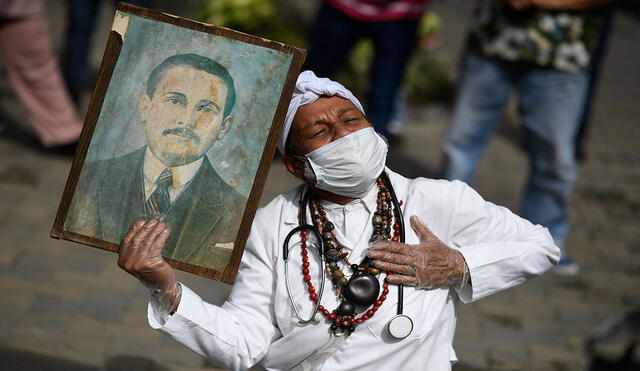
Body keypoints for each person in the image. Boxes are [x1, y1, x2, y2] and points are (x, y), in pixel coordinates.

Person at [116, 71, 560, 370]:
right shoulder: (273, 223)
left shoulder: (437, 199)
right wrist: (165, 288)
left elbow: (541, 246)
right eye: (321, 132)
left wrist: (458, 264)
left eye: (351, 120)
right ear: (295, 165)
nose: (344, 135)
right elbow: (244, 344)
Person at [441, 0, 613, 276]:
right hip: (491, 40)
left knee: (555, 157)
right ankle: (442, 230)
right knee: (460, 142)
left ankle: (546, 244)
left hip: (561, 53)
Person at [68, 54, 246, 271]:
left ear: (224, 127)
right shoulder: (89, 179)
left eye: (206, 109)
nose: (187, 120)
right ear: (145, 107)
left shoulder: (237, 213)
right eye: (175, 100)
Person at [304, 0, 429, 138]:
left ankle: (375, 151)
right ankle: (292, 139)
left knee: (384, 92)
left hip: (402, 12)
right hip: (344, 7)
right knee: (310, 82)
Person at [0, 0, 83, 151]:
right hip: (21, 10)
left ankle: (65, 133)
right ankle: (65, 132)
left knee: (39, 70)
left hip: (21, 11)